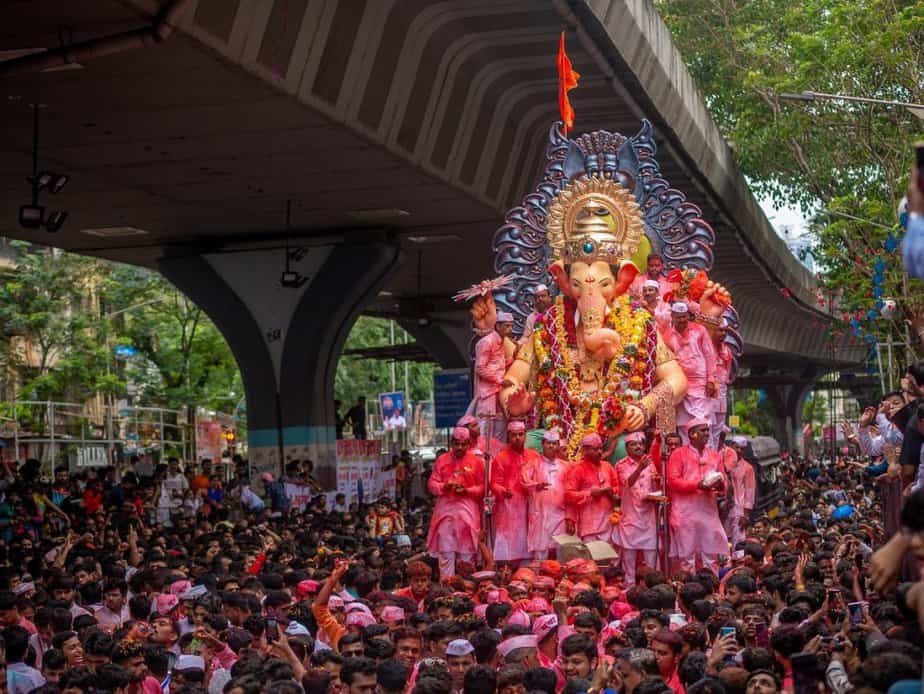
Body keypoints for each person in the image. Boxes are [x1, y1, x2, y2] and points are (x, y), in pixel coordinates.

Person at [667, 420, 728, 572]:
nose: (707, 434)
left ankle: (711, 591)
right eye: (702, 431)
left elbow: (724, 482)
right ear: (691, 434)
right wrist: (697, 485)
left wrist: (720, 485)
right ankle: (690, 593)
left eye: (707, 430)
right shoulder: (678, 454)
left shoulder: (714, 456)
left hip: (708, 512)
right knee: (687, 558)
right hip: (685, 513)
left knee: (710, 556)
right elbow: (673, 481)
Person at [427, 427, 485, 578]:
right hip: (445, 513)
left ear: (468, 444)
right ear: (451, 443)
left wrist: (467, 490)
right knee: (446, 553)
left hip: (468, 514)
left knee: (466, 556)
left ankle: (466, 591)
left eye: (463, 444)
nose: (459, 447)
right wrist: (444, 486)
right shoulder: (442, 460)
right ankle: (446, 591)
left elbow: (483, 488)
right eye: (456, 444)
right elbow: (432, 484)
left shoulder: (477, 462)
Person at [661, 302, 718, 440]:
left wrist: (710, 379)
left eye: (684, 316)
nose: (682, 320)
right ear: (672, 317)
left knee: (702, 422)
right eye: (679, 317)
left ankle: (704, 455)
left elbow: (710, 356)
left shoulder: (700, 331)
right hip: (681, 384)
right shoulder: (667, 336)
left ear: (688, 316)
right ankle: (687, 455)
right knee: (683, 423)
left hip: (700, 383)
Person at [614, 432, 660, 585]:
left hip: (648, 519)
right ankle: (629, 588)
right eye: (634, 444)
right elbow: (627, 483)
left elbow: (654, 487)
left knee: (651, 561)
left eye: (640, 443)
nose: (638, 446)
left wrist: (657, 482)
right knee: (629, 563)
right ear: (626, 448)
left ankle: (652, 589)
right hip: (630, 519)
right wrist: (640, 468)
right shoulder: (621, 465)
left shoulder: (650, 463)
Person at [489, 421, 536, 564]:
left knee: (529, 543)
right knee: (508, 546)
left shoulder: (533, 456)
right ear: (509, 436)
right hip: (508, 508)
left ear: (525, 435)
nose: (517, 438)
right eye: (514, 435)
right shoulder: (500, 458)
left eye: (520, 434)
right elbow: (494, 484)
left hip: (530, 505)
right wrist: (503, 491)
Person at [521, 429, 569, 559]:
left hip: (560, 513)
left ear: (558, 446)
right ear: (542, 444)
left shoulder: (566, 466)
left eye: (554, 443)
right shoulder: (533, 463)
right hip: (540, 512)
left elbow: (571, 488)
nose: (551, 446)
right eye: (548, 443)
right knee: (541, 548)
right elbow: (524, 481)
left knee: (561, 548)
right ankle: (539, 578)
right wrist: (536, 485)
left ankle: (562, 577)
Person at [470, 311, 515, 446]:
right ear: (498, 326)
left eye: (511, 326)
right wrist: (500, 380)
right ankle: (483, 461)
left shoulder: (501, 342)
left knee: (500, 427)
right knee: (485, 428)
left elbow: (497, 365)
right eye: (507, 326)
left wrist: (513, 358)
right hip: (487, 393)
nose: (510, 329)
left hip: (498, 391)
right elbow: (480, 368)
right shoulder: (486, 342)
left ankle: (497, 460)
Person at [563, 433, 619, 541]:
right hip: (589, 527)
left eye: (600, 448)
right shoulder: (577, 469)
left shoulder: (607, 467)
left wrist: (611, 491)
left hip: (609, 524)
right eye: (595, 449)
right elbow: (568, 495)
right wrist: (589, 493)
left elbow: (617, 489)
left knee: (608, 557)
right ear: (585, 451)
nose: (599, 452)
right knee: (590, 557)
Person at [723, 436, 756, 549]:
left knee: (738, 543)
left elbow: (750, 492)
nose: (739, 451)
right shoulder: (722, 463)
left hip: (739, 511)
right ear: (731, 447)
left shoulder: (747, 468)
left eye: (742, 448)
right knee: (723, 541)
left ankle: (738, 564)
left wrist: (746, 515)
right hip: (723, 509)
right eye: (736, 447)